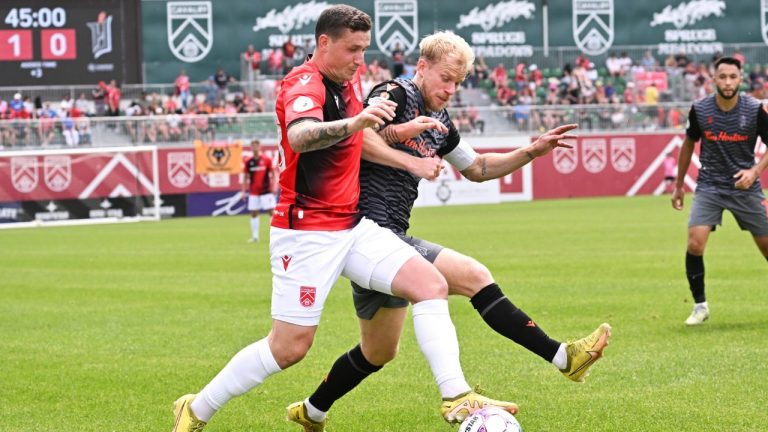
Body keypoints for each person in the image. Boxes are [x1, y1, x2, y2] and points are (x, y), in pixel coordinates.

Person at [171, 6, 516, 431]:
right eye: (352, 49)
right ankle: (197, 408)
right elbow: (300, 134)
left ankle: (456, 397)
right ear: (323, 43)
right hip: (306, 232)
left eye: (364, 50)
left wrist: (396, 135)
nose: (359, 60)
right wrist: (356, 122)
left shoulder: (348, 81)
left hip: (352, 226)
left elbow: (370, 140)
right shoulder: (303, 82)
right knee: (289, 348)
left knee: (431, 285)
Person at [287, 31, 612, 432]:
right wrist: (410, 163)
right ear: (421, 66)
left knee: (378, 351)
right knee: (474, 275)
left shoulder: (441, 122)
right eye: (445, 78)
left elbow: (477, 169)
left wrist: (531, 151)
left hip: (385, 240)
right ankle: (562, 358)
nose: (450, 89)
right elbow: (360, 136)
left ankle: (312, 410)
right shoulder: (396, 93)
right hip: (367, 230)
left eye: (457, 83)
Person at [671, 56, 768, 326]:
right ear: (713, 79)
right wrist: (679, 186)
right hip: (710, 186)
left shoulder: (754, 109)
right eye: (722, 76)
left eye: (732, 77)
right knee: (695, 243)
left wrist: (754, 172)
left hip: (746, 189)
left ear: (740, 79)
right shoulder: (700, 110)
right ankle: (700, 306)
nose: (727, 82)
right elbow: (688, 145)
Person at [241, 139, 277, 242]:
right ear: (251, 147)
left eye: (257, 145)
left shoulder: (266, 159)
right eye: (253, 145)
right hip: (253, 192)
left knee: (272, 212)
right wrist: (243, 191)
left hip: (266, 191)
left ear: (260, 146)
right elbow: (245, 177)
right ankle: (255, 237)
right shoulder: (248, 161)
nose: (255, 147)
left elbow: (274, 173)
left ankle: (275, 235)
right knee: (253, 213)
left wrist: (275, 186)